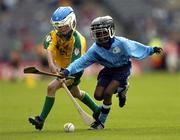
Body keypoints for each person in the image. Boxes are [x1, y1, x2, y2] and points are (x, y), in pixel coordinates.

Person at [60, 16, 163, 129]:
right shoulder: (95, 49)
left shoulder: (122, 43)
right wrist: (68, 70)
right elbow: (81, 61)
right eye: (97, 34)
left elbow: (135, 47)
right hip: (108, 71)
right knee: (98, 96)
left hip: (122, 69)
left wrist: (152, 50)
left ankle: (101, 122)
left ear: (111, 31)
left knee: (108, 93)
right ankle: (122, 89)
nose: (100, 36)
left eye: (102, 33)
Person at [28, 6, 100, 130]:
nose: (60, 30)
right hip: (61, 69)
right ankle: (97, 110)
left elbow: (76, 63)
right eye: (58, 27)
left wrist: (64, 72)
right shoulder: (54, 35)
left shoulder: (78, 40)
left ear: (72, 23)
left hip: (74, 71)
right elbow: (49, 49)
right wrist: (51, 65)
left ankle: (40, 120)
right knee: (76, 93)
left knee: (51, 87)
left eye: (63, 27)